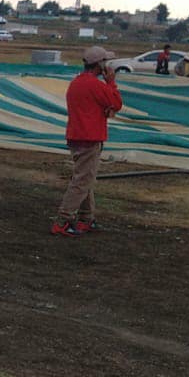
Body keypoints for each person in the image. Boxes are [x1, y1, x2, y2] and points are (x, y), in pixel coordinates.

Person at [53, 46, 123, 236]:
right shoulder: (96, 85)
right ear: (99, 64)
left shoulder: (76, 83)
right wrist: (111, 83)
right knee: (82, 181)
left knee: (85, 178)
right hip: (90, 137)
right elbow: (116, 103)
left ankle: (86, 218)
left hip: (76, 135)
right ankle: (63, 220)